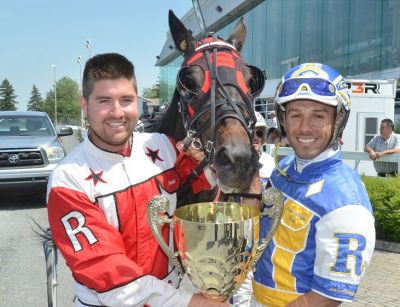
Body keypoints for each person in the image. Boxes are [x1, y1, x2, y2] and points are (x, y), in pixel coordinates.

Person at [46, 53, 225, 307]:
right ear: (85, 105)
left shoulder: (163, 146)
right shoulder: (67, 180)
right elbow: (106, 268)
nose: (117, 112)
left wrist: (211, 165)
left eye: (126, 100)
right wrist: (189, 302)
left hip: (172, 295)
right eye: (104, 101)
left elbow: (203, 196)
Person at [251, 63, 376, 306]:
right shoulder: (283, 169)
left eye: (318, 116)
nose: (305, 127)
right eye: (295, 115)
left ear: (338, 118)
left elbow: (326, 297)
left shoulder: (345, 202)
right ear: (283, 119)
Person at [253, 112, 275, 181]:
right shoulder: (235, 164)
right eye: (250, 133)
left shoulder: (269, 161)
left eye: (259, 133)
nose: (255, 138)